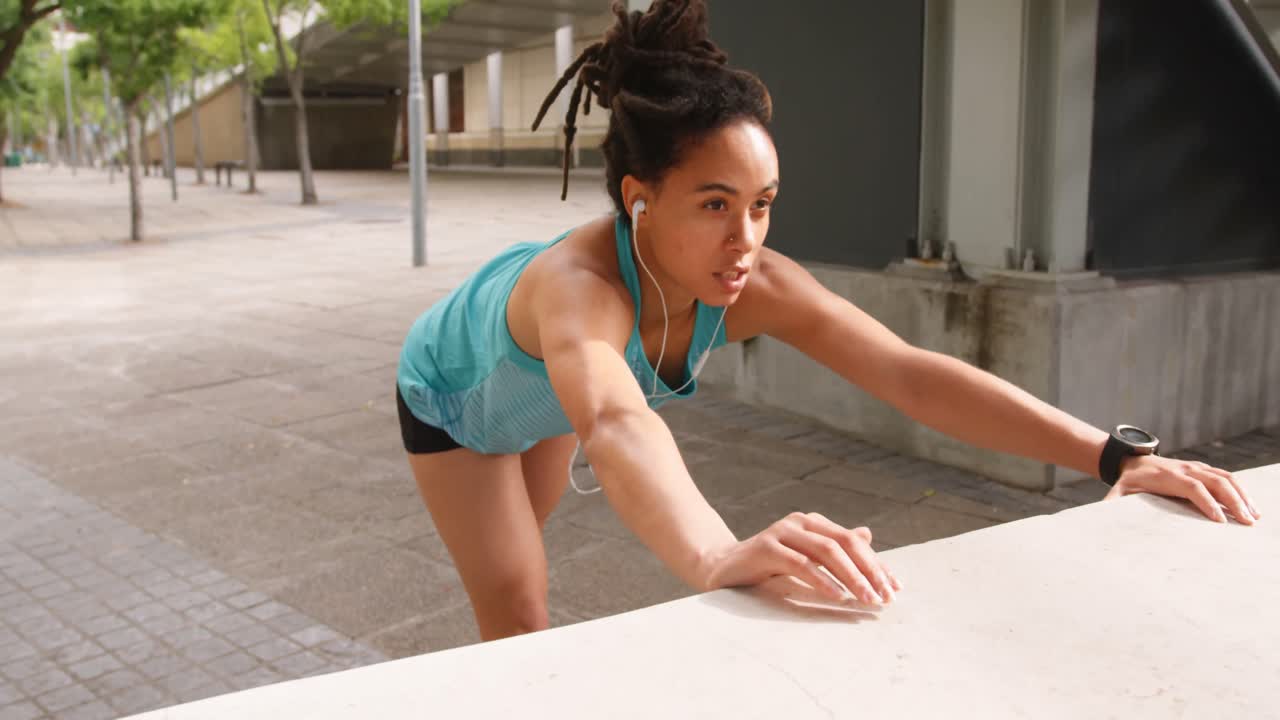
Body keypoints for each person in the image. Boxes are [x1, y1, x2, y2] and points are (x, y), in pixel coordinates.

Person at [396, 0, 1261, 643]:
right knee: (517, 605)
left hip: (549, 401)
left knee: (520, 568)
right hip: (452, 397)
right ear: (640, 199)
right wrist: (712, 556)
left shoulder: (756, 281)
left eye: (762, 204)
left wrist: (1113, 455)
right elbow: (617, 421)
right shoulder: (577, 291)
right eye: (714, 203)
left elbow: (906, 371)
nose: (745, 240)